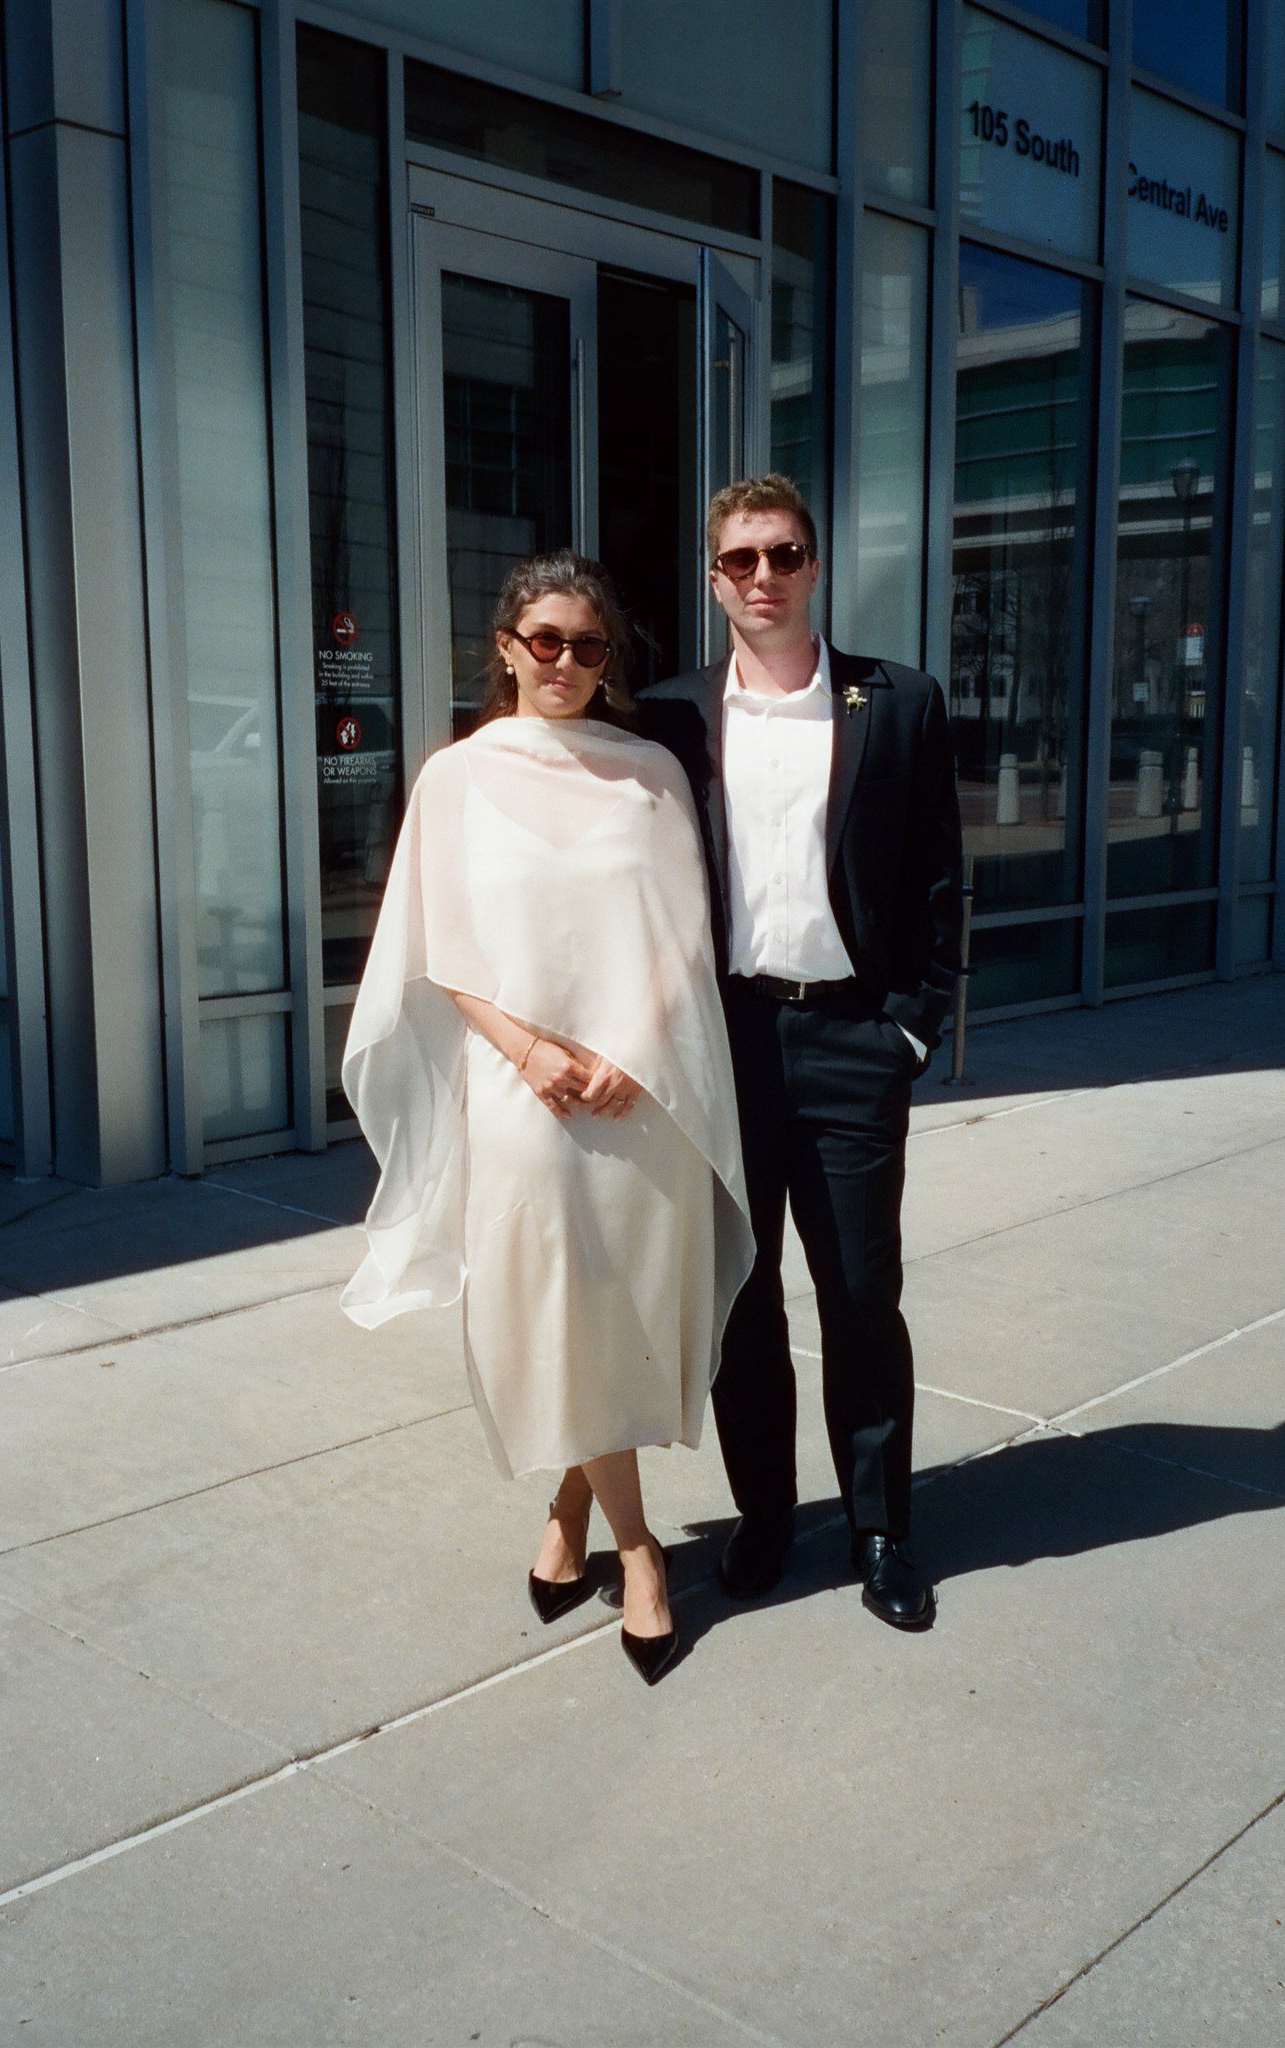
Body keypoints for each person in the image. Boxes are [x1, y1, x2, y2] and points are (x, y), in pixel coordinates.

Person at [341, 551, 753, 1685]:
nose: (564, 661)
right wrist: (526, 1049)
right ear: (506, 646)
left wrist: (630, 1051)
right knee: (567, 1305)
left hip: (641, 1091)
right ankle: (641, 1553)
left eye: (587, 644)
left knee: (618, 1313)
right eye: (545, 640)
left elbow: (681, 938)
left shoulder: (650, 771)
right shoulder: (456, 778)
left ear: (608, 659)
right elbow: (438, 945)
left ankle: (568, 1518)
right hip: (522, 1092)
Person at [641, 475, 963, 1630]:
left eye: (781, 554)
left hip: (851, 1038)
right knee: (741, 1303)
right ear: (712, 576)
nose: (761, 577)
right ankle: (766, 1515)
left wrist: (911, 1025)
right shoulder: (669, 715)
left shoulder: (898, 702)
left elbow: (936, 875)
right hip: (724, 1043)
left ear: (814, 565)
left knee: (861, 1294)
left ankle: (880, 1528)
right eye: (739, 560)